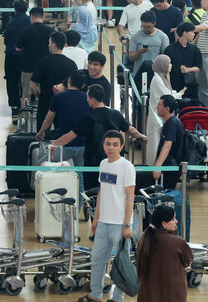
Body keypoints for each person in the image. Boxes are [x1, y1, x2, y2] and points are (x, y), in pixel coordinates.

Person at [86, 129, 134, 302]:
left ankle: (118, 298)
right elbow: (102, 192)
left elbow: (130, 196)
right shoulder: (103, 164)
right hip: (103, 223)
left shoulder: (127, 167)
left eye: (115, 144)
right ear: (103, 145)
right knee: (97, 260)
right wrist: (96, 218)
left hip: (120, 225)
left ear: (121, 146)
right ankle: (95, 294)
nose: (111, 148)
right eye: (108, 144)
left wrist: (127, 224)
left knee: (120, 263)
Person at [136, 203, 195, 302]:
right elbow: (188, 260)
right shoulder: (177, 242)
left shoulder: (144, 238)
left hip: (148, 293)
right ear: (164, 223)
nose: (176, 221)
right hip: (172, 294)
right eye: (173, 219)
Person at [31, 31, 78, 129]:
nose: (48, 45)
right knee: (61, 133)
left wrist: (38, 95)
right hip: (64, 104)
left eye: (49, 43)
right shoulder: (72, 64)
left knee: (42, 132)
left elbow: (33, 85)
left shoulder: (43, 62)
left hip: (45, 102)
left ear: (53, 45)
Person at [151, 95, 184, 190]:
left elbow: (167, 145)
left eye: (159, 105)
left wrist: (158, 165)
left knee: (166, 193)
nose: (157, 107)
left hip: (170, 168)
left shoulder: (172, 123)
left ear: (167, 109)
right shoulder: (171, 122)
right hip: (168, 166)